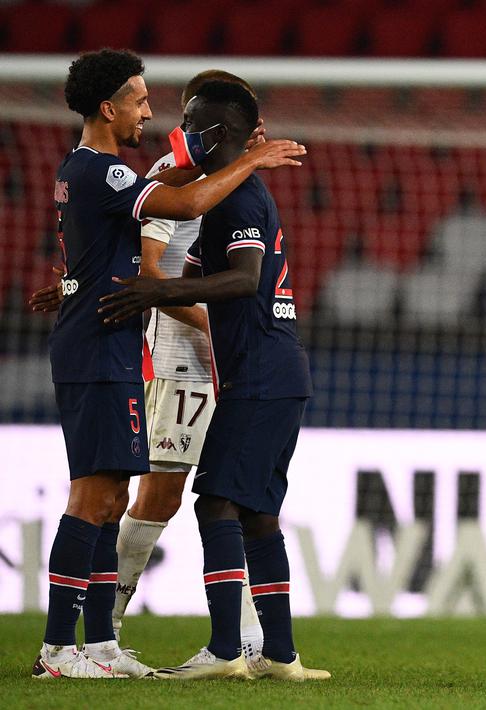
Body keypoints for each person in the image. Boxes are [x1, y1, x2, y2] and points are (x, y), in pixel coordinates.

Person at [31, 49, 304, 680]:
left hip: (116, 341)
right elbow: (178, 215)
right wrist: (255, 160)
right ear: (109, 106)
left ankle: (99, 643)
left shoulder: (94, 172)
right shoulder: (117, 173)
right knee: (101, 497)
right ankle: (58, 649)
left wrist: (75, 284)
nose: (150, 112)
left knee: (116, 494)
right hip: (109, 347)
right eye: (140, 100)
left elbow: (105, 248)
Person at [98, 80, 327, 682]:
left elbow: (245, 279)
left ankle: (226, 650)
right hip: (276, 371)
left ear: (214, 133)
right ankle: (280, 656)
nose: (182, 131)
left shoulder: (237, 199)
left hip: (255, 373)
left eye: (192, 123)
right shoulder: (225, 192)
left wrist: (160, 290)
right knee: (256, 513)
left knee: (215, 502)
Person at [111, 69, 266, 668]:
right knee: (162, 493)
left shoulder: (240, 186)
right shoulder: (166, 180)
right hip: (179, 356)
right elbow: (149, 273)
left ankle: (247, 636)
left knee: (234, 492)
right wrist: (216, 322)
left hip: (231, 363)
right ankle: (105, 625)